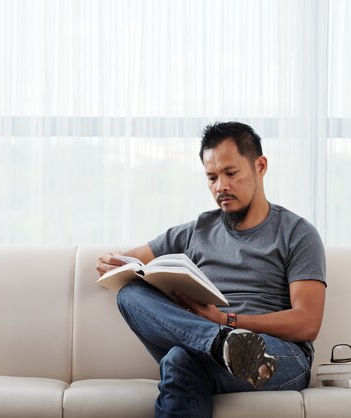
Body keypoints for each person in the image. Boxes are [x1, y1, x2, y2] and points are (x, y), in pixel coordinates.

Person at [96, 121, 326, 418]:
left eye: (231, 173)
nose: (221, 187)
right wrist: (112, 262)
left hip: (277, 357)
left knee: (179, 359)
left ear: (260, 166)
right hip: (208, 349)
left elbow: (307, 323)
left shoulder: (297, 233)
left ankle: (220, 342)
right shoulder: (195, 230)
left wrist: (225, 320)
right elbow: (131, 262)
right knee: (129, 292)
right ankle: (217, 343)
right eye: (212, 177)